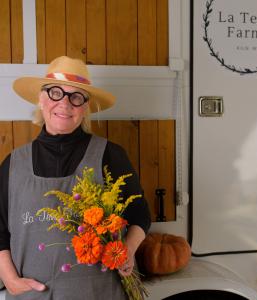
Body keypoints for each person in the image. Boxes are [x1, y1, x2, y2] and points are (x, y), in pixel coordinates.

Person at [0, 56, 151, 299]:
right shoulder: (12, 164)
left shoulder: (109, 155)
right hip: (32, 296)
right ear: (41, 98)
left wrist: (128, 249)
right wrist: (10, 280)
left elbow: (140, 214)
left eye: (76, 96)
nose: (65, 103)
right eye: (55, 92)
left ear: (85, 107)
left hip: (100, 293)